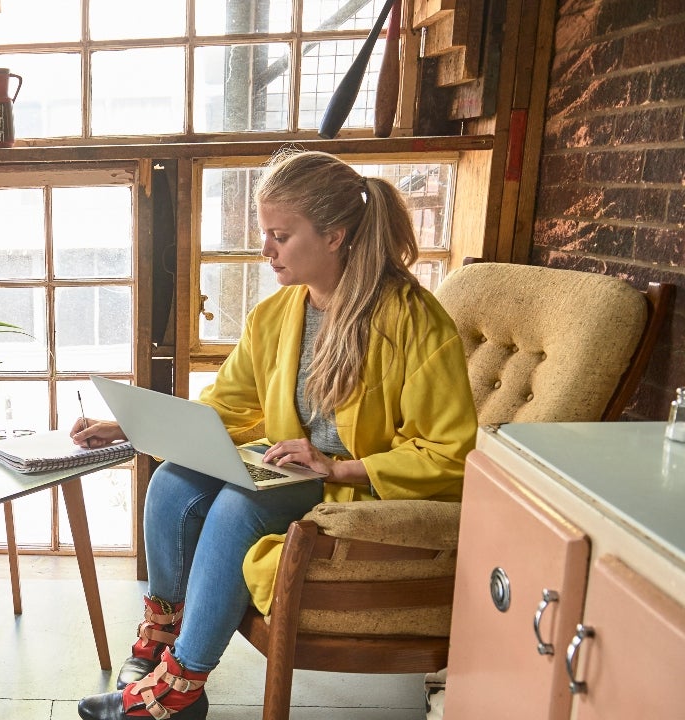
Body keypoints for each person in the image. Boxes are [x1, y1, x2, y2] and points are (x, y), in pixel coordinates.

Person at [68, 150, 478, 720]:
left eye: (280, 235)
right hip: (285, 465)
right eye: (265, 233)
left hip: (353, 484)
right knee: (171, 481)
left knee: (240, 503)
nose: (266, 250)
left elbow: (452, 452)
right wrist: (128, 425)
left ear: (334, 235)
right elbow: (227, 406)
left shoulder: (413, 320)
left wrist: (338, 467)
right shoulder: (278, 313)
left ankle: (182, 687)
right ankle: (162, 636)